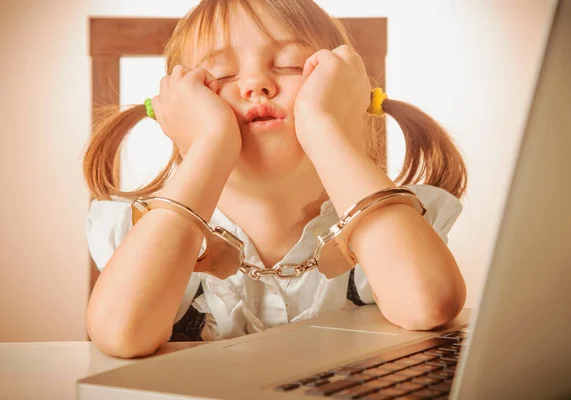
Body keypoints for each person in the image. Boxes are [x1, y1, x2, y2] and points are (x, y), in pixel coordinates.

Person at [83, 0, 468, 359]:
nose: (256, 85)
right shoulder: (148, 232)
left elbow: (428, 305)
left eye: (289, 64)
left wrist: (324, 126)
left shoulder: (389, 221)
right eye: (222, 75)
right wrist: (209, 146)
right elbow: (120, 333)